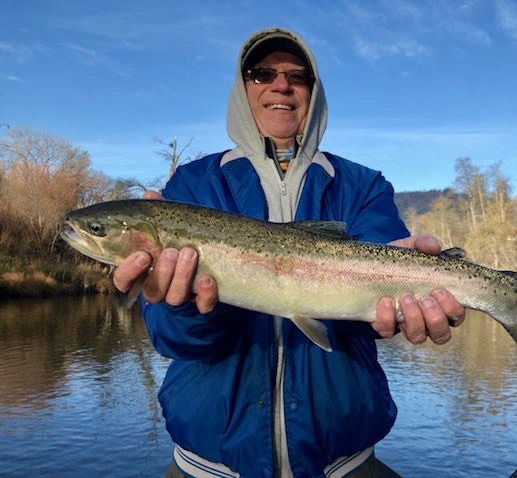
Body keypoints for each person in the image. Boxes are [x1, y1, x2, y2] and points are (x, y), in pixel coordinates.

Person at [113, 28, 465, 478]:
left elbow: (379, 315)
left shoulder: (362, 186)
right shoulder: (192, 187)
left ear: (313, 93)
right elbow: (169, 339)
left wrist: (406, 300)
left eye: (297, 76)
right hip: (208, 466)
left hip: (345, 465)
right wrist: (189, 308)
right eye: (262, 74)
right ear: (242, 90)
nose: (281, 85)